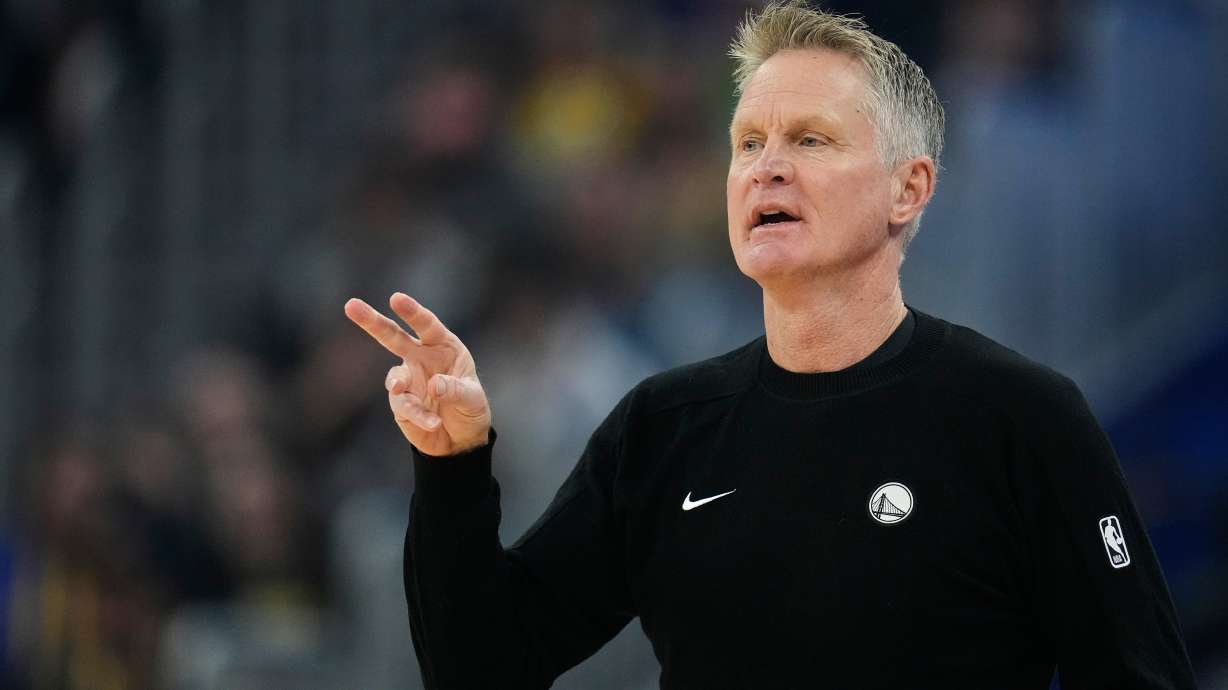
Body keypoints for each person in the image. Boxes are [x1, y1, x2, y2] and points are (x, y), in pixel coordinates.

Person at [343, 2, 1196, 687]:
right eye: (747, 141)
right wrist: (452, 467)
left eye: (811, 140)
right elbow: (482, 666)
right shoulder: (662, 429)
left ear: (908, 190)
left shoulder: (1022, 418)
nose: (766, 167)